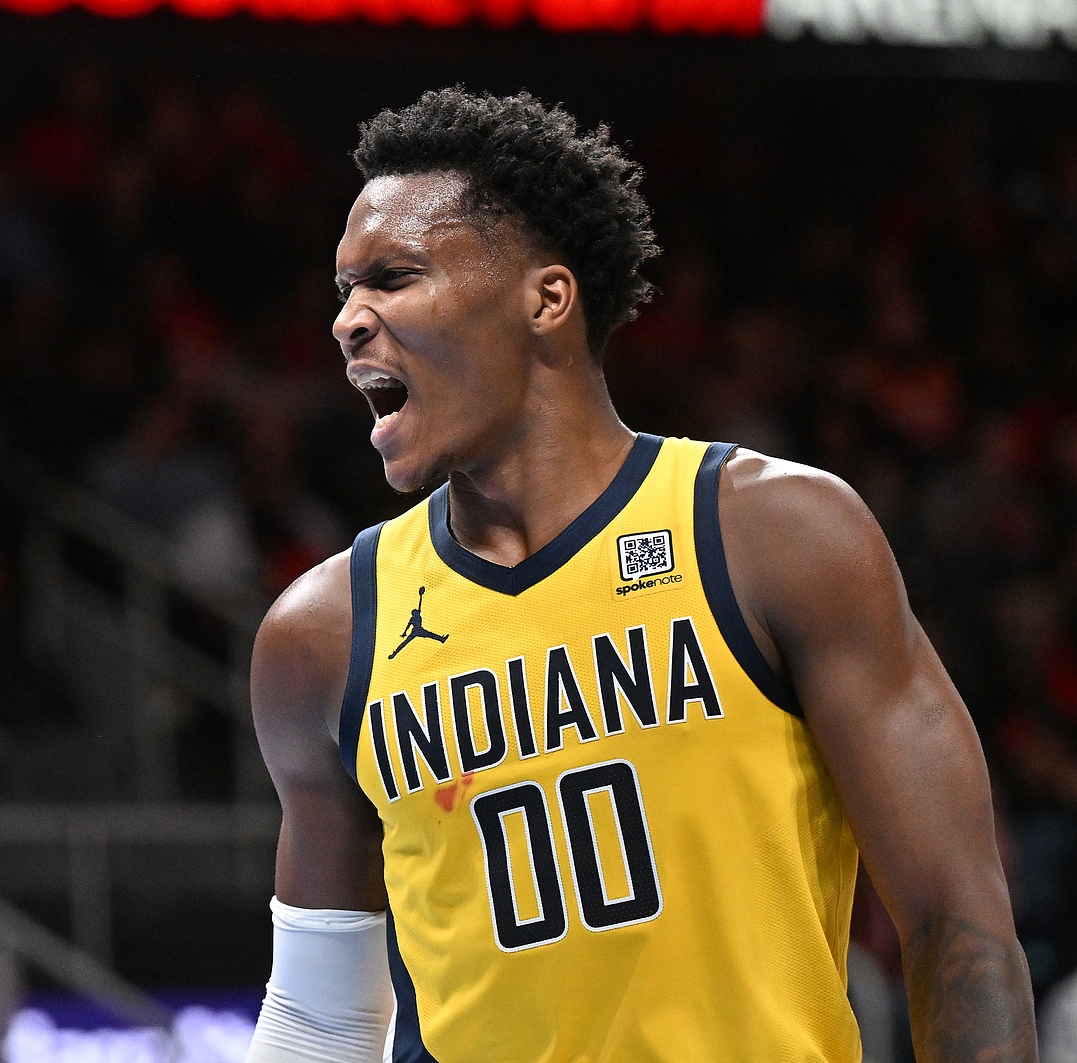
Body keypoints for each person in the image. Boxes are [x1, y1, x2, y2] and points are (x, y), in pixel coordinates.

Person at [245, 89, 1032, 1063]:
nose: (347, 323)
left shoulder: (774, 534)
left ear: (546, 299)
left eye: (392, 279)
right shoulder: (323, 632)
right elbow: (319, 1021)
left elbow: (955, 918)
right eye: (343, 291)